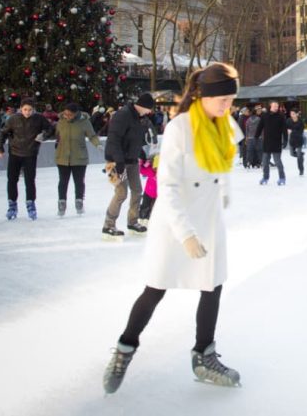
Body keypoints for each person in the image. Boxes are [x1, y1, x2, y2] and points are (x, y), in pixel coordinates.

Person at [102, 63, 243, 394]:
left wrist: (223, 194)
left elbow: (221, 168)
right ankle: (124, 349)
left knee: (213, 285)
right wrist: (186, 234)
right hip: (176, 221)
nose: (227, 106)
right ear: (203, 95)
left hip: (207, 218)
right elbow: (167, 187)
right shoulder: (180, 129)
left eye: (231, 99)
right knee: (156, 288)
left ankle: (203, 356)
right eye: (222, 99)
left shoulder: (225, 124)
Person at [102, 93, 156, 238]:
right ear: (143, 106)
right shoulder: (123, 115)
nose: (149, 112)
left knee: (137, 190)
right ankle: (108, 225)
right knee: (121, 193)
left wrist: (140, 153)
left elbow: (135, 139)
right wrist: (118, 162)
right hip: (114, 160)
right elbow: (114, 140)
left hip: (131, 160)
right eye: (149, 109)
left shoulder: (140, 118)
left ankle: (133, 222)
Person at [0, 98, 54, 220]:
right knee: (12, 180)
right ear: (21, 109)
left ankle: (31, 204)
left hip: (30, 153)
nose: (27, 112)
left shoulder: (39, 118)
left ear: (33, 110)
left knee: (29, 180)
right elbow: (3, 133)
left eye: (30, 110)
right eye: (25, 110)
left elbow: (50, 129)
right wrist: (0, 148)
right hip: (15, 153)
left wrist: (43, 136)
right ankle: (12, 205)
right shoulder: (13, 119)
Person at [55, 102, 101, 217]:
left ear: (76, 114)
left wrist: (97, 144)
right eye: (66, 114)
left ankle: (79, 201)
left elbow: (92, 136)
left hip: (79, 157)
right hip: (63, 157)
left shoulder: (84, 122)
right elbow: (55, 135)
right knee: (63, 181)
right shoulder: (61, 122)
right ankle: (62, 202)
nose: (67, 116)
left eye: (70, 114)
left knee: (79, 181)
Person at [255, 101, 287, 186]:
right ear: (270, 106)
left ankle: (282, 177)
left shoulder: (281, 116)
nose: (276, 107)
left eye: (277, 106)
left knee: (278, 162)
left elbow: (284, 130)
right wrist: (256, 137)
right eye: (274, 106)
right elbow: (260, 127)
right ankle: (265, 177)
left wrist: (285, 140)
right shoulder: (265, 116)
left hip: (276, 142)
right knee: (265, 162)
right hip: (267, 143)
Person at [286, 108, 306, 177]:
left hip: (299, 140)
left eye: (293, 114)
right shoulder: (288, 121)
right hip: (292, 140)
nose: (292, 115)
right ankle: (301, 155)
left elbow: (300, 132)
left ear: (297, 114)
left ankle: (301, 170)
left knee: (299, 157)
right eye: (291, 114)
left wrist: (292, 131)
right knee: (292, 154)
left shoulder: (301, 122)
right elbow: (285, 127)